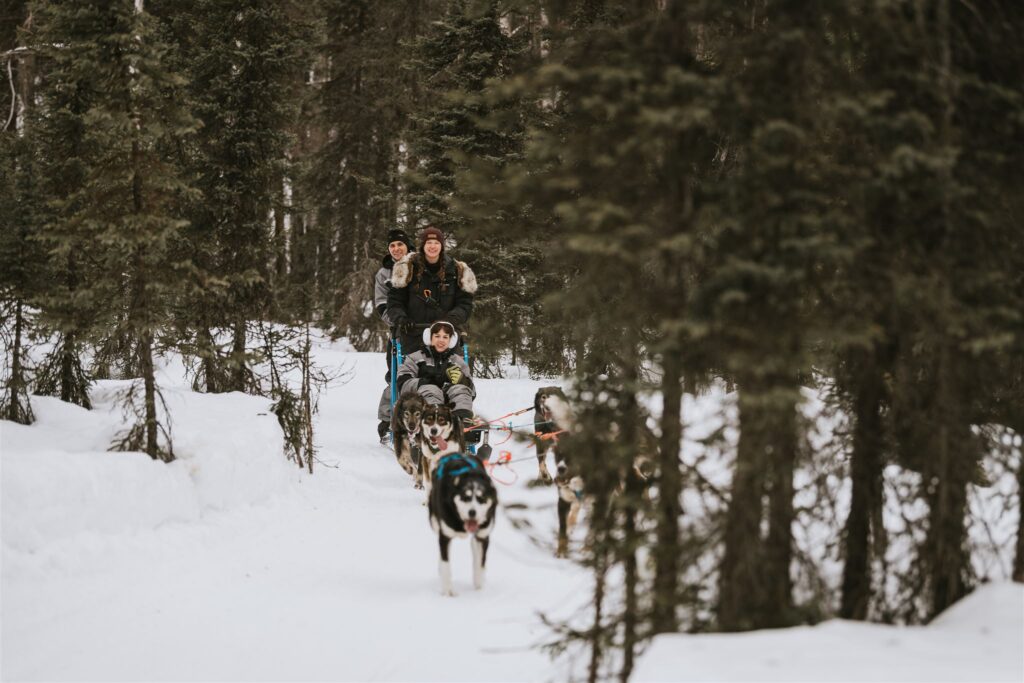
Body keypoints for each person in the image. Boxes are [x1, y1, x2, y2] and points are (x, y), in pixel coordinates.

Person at [387, 225, 477, 356]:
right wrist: (402, 319)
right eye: (429, 242)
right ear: (423, 245)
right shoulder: (406, 268)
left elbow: (465, 304)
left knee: (453, 372)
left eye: (436, 243)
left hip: (446, 333)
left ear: (442, 246)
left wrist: (451, 320)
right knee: (411, 370)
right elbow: (394, 302)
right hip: (413, 333)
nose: (432, 246)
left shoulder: (457, 270)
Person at [375, 229, 414, 442]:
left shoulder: (420, 266)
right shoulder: (383, 274)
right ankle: (387, 418)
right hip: (399, 332)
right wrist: (397, 321)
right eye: (392, 246)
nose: (396, 249)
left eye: (400, 244)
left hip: (424, 329)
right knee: (396, 374)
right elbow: (381, 304)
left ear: (408, 246)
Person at [396, 320, 475, 424]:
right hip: (421, 402)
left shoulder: (457, 361)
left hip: (450, 403)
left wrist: (463, 380)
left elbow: (471, 391)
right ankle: (434, 418)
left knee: (460, 390)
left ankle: (462, 420)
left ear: (451, 341)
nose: (441, 340)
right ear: (430, 338)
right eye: (437, 336)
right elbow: (403, 383)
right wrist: (423, 382)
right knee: (431, 389)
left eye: (445, 337)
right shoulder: (415, 358)